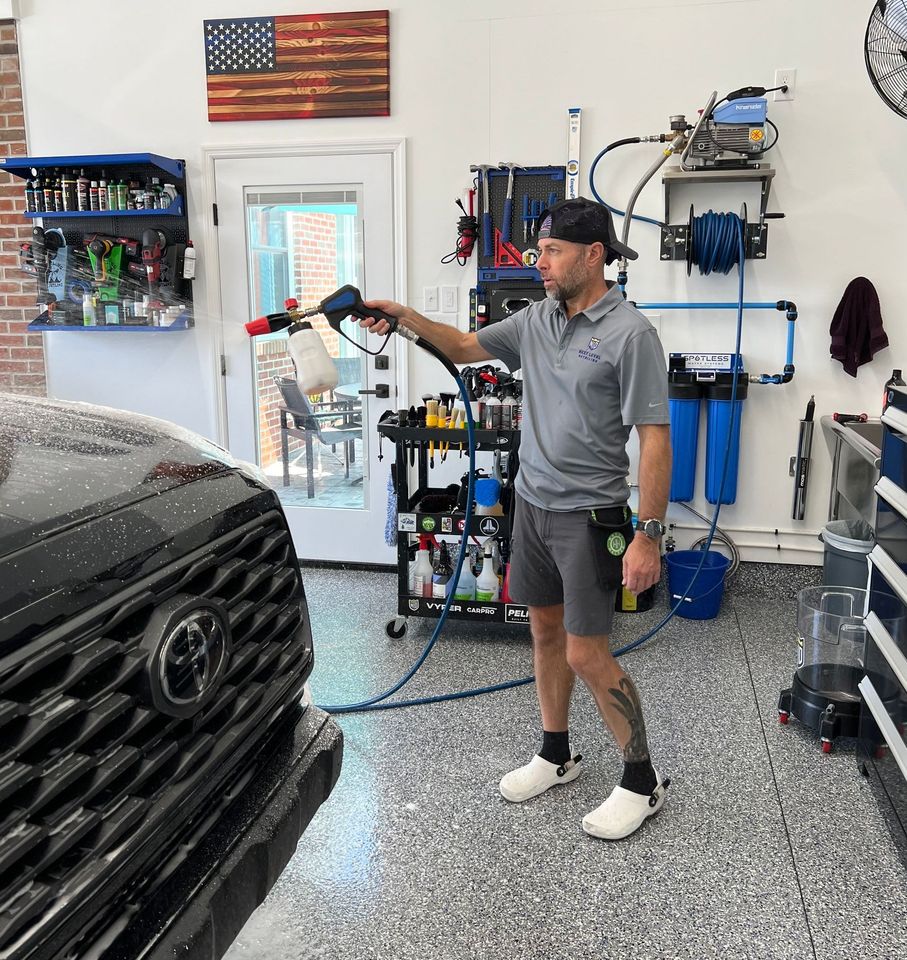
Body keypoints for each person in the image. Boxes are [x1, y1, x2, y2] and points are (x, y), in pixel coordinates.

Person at [360, 197, 672, 841]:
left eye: (554, 252)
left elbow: (654, 439)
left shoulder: (631, 333)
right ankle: (556, 753)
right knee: (545, 634)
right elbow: (466, 346)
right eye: (539, 251)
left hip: (591, 515)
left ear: (594, 256)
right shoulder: (536, 319)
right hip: (530, 503)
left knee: (589, 652)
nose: (541, 263)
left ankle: (643, 781)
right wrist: (404, 318)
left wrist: (648, 534)